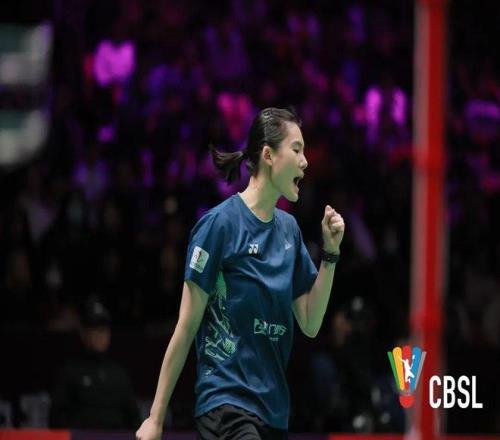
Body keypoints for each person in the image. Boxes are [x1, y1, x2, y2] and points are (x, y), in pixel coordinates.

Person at [136, 107, 345, 439]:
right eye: (296, 150)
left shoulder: (289, 231)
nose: (305, 162)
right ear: (268, 155)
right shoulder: (219, 225)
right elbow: (187, 326)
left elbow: (309, 321)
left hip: (273, 411)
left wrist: (330, 255)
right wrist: (155, 418)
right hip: (226, 403)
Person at [50, 297, 140, 430]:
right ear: (83, 333)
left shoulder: (119, 373)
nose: (101, 334)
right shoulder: (70, 372)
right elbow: (57, 421)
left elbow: (134, 419)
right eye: (95, 328)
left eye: (104, 329)